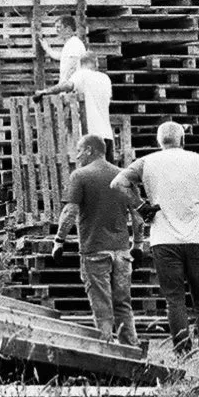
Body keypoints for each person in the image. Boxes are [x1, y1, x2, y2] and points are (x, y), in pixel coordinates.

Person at [112, 121, 199, 355]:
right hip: (197, 238)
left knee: (174, 299)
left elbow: (118, 183)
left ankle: (183, 351)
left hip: (164, 239)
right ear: (183, 139)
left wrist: (141, 207)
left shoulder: (147, 162)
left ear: (159, 141)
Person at [52, 133, 139, 346]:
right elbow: (138, 216)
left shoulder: (80, 176)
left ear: (90, 150)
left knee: (102, 306)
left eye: (79, 150)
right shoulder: (124, 176)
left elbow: (70, 212)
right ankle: (131, 350)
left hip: (94, 251)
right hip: (122, 252)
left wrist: (59, 241)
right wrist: (138, 243)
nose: (77, 156)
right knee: (123, 304)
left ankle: (106, 350)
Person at [34, 58, 114, 159]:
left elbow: (68, 85)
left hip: (91, 135)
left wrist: (45, 91)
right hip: (107, 135)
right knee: (108, 168)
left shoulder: (82, 74)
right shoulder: (105, 78)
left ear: (80, 64)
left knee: (90, 168)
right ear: (96, 63)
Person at [43, 15, 87, 84]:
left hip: (71, 86)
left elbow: (72, 66)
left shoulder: (74, 43)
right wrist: (47, 48)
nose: (57, 30)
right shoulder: (70, 43)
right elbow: (60, 56)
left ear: (68, 29)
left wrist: (63, 85)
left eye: (59, 27)